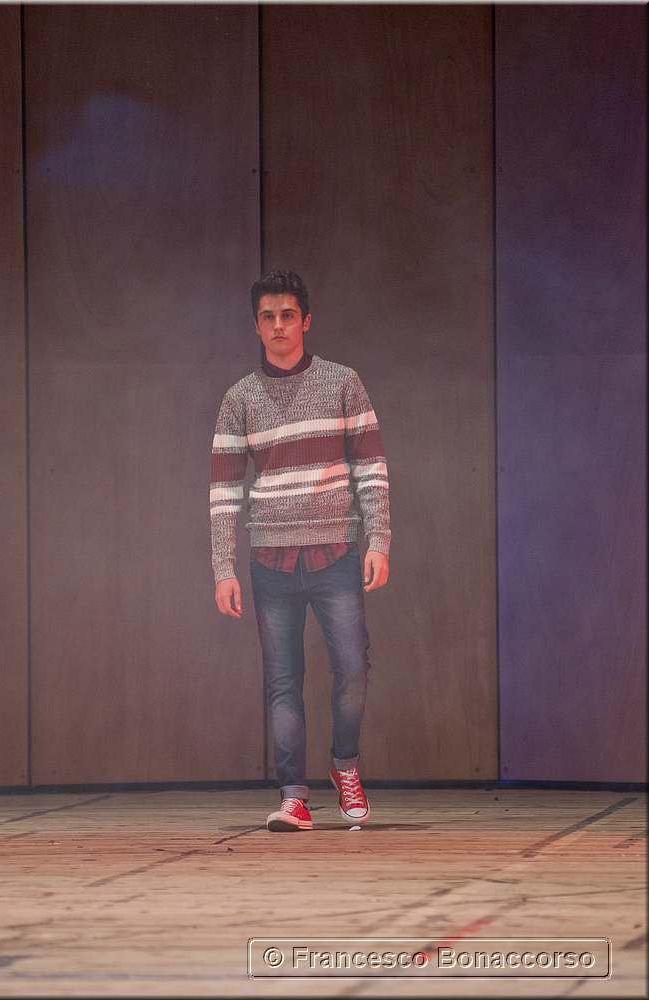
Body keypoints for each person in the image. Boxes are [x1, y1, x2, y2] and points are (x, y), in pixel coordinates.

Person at [209, 269, 391, 832]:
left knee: (352, 670)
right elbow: (224, 490)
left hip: (335, 553)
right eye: (268, 317)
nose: (279, 326)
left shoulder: (342, 383)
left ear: (305, 321)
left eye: (288, 315)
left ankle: (345, 765)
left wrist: (379, 540)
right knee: (283, 681)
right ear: (256, 326)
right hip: (271, 562)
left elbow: (371, 468)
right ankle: (293, 796)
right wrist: (223, 567)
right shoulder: (239, 398)